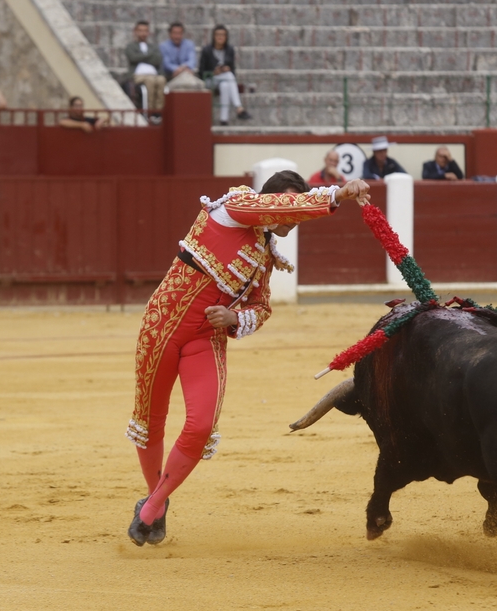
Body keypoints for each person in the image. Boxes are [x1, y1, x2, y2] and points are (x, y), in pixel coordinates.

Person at [126, 173, 372, 546]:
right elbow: (279, 206)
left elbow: (261, 306)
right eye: (289, 205)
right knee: (151, 418)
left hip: (206, 337)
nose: (293, 217)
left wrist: (234, 318)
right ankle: (155, 501)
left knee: (201, 426)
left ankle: (153, 506)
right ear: (271, 200)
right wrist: (335, 193)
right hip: (165, 321)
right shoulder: (235, 207)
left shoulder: (264, 253)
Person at [199, 25, 251, 126]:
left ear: (226, 37)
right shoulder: (207, 50)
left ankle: (224, 119)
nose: (220, 37)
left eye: (223, 35)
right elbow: (201, 72)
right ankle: (239, 107)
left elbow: (233, 69)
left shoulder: (229, 49)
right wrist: (213, 72)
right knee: (228, 75)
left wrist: (226, 69)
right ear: (213, 36)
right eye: (218, 35)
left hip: (224, 79)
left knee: (225, 85)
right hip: (210, 80)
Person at [125, 20, 166, 114]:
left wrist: (142, 56)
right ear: (135, 31)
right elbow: (133, 58)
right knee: (150, 81)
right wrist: (149, 55)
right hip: (138, 75)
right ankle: (150, 110)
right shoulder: (131, 46)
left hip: (154, 74)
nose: (143, 33)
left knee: (161, 80)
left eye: (145, 30)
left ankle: (159, 111)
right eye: (140, 30)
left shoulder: (153, 46)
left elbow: (158, 59)